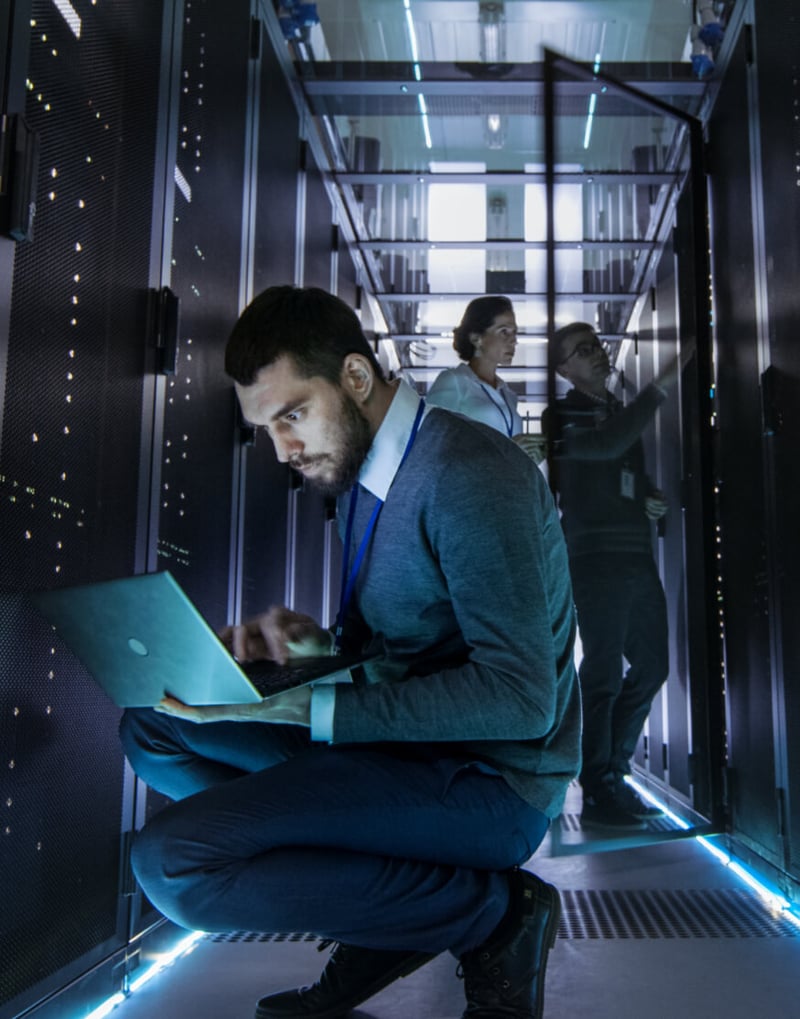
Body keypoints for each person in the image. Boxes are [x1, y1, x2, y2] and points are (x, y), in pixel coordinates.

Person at [119, 285, 581, 1019]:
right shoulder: (369, 475)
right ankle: (395, 908)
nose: (283, 449)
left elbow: (523, 699)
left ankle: (489, 914)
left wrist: (316, 704)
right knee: (154, 722)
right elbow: (399, 651)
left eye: (292, 415)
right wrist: (293, 653)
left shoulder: (469, 476)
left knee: (171, 863)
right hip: (406, 752)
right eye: (267, 428)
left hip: (491, 783)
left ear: (356, 379)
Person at [544, 321, 686, 831]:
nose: (599, 354)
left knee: (653, 667)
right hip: (593, 559)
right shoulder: (559, 416)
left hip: (634, 554)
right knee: (602, 671)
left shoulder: (619, 413)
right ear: (563, 369)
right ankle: (600, 782)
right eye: (584, 350)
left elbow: (624, 468)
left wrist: (648, 497)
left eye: (598, 346)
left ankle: (612, 772)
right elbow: (604, 446)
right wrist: (661, 388)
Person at [427, 294, 546, 460]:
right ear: (477, 338)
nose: (513, 341)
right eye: (504, 331)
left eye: (515, 333)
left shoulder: (508, 394)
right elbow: (430, 443)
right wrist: (505, 451)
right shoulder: (454, 381)